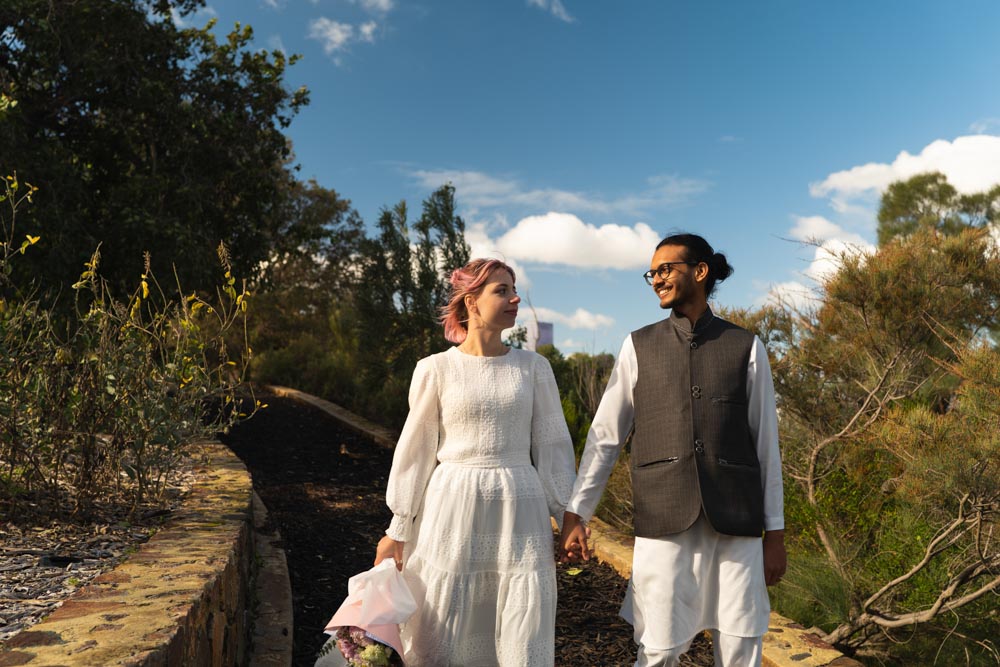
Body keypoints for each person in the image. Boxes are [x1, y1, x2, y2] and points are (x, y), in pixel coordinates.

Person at [561, 233, 786, 667]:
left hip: (736, 524)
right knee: (659, 647)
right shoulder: (637, 345)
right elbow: (606, 436)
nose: (656, 279)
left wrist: (773, 534)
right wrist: (578, 512)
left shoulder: (746, 347)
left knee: (742, 643)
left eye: (666, 269)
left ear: (699, 272)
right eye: (652, 272)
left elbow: (766, 448)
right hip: (663, 516)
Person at [374, 257, 577, 666]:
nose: (514, 298)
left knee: (522, 622)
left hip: (520, 510)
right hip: (452, 508)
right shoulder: (436, 369)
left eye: (513, 289)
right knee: (445, 616)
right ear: (471, 301)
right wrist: (398, 527)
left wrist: (568, 512)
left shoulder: (534, 368)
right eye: (501, 290)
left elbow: (553, 444)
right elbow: (415, 452)